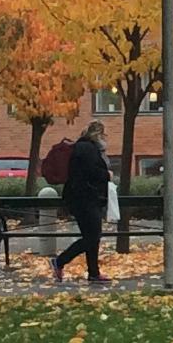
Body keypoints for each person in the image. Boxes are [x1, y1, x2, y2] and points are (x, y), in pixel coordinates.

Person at [50, 121, 111, 284]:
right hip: (86, 199)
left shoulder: (82, 147)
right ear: (97, 135)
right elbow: (92, 172)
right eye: (103, 135)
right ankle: (60, 261)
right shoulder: (88, 149)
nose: (105, 139)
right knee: (92, 237)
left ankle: (93, 272)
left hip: (81, 198)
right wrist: (107, 175)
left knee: (91, 236)